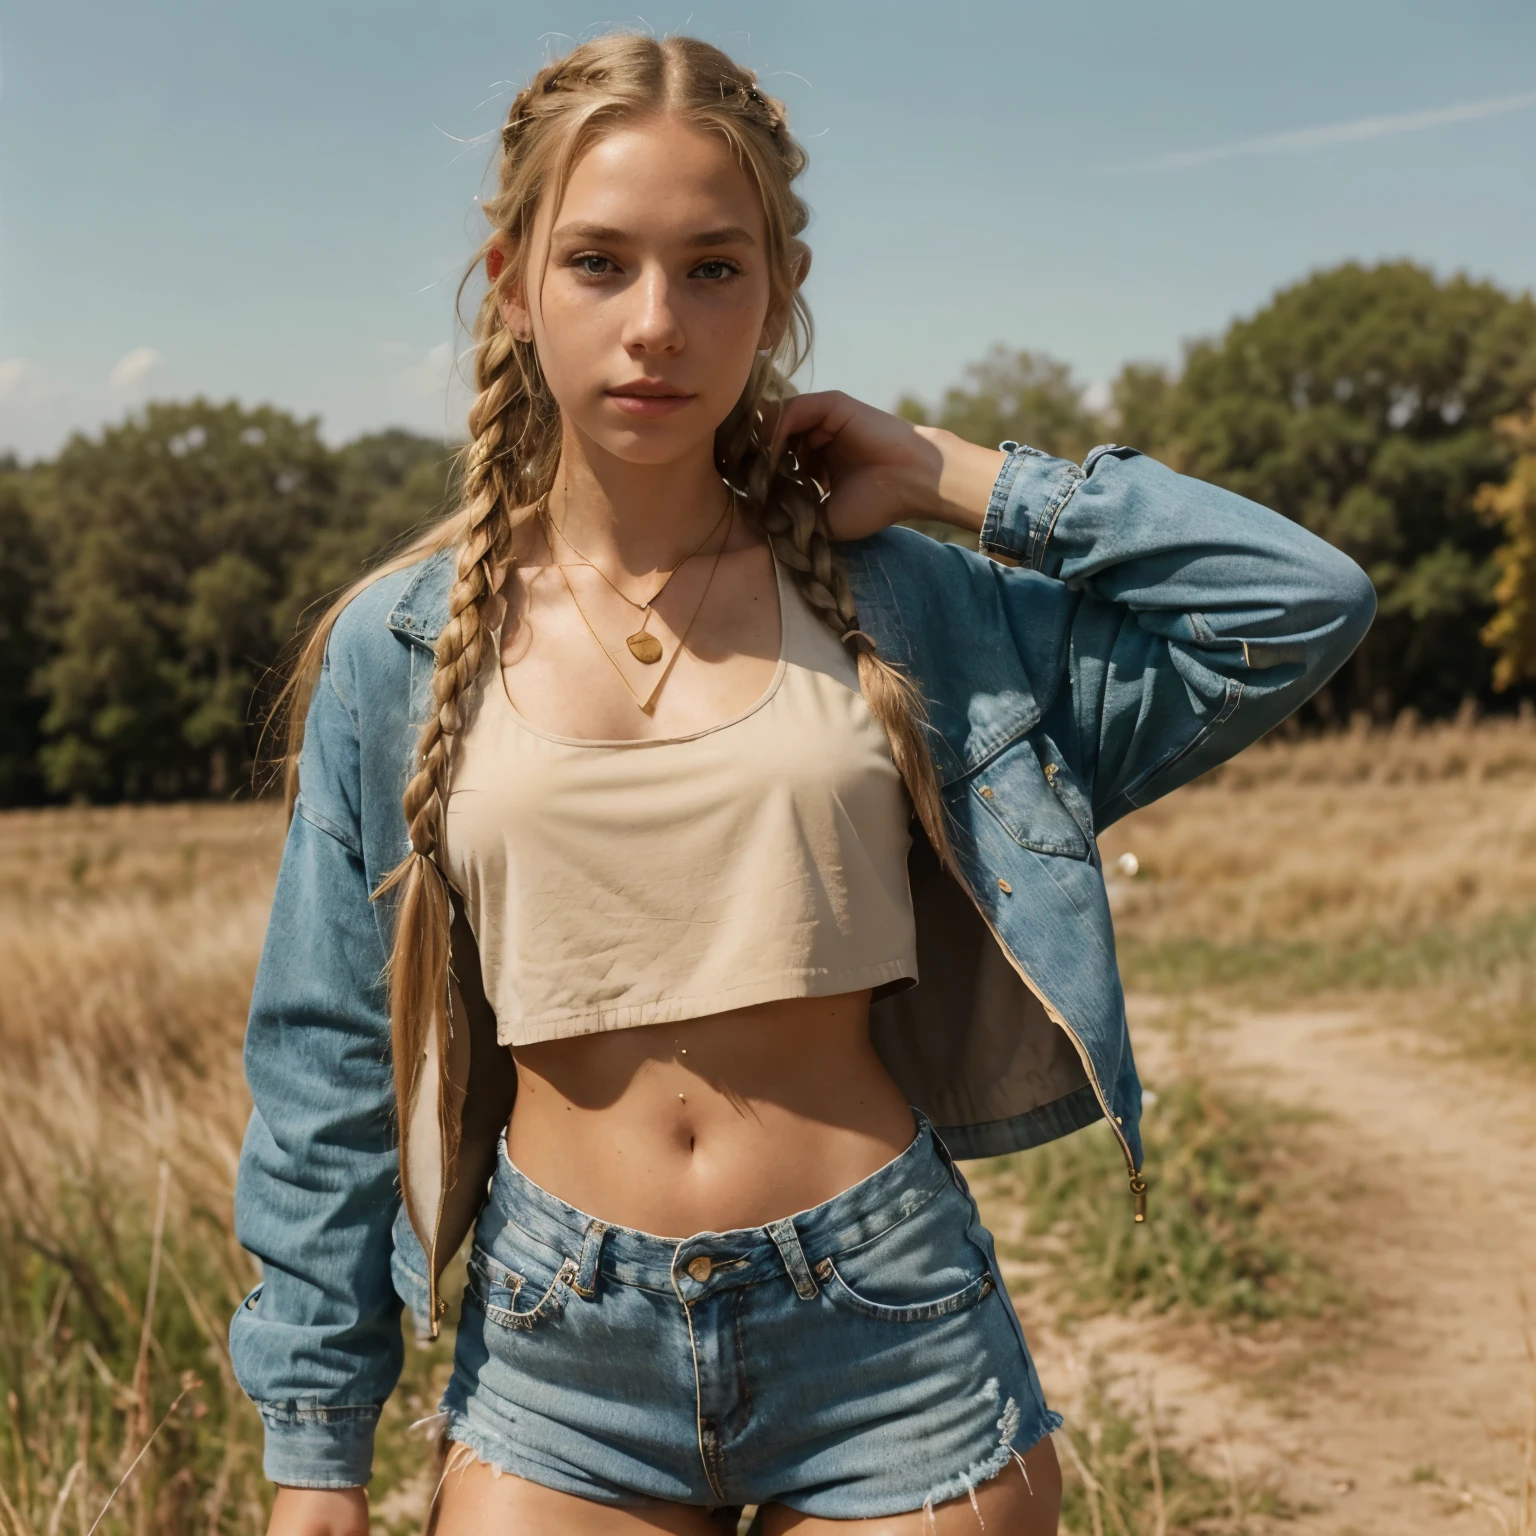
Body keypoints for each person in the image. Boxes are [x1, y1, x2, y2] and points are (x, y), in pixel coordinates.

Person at [230, 33, 1374, 1536]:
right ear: (512, 284)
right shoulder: (401, 646)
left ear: (779, 290)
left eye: (713, 268)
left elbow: (1297, 604)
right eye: (598, 264)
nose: (657, 324)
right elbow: (325, 1061)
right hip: (557, 1348)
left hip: (886, 1325)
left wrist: (965, 479)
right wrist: (317, 1443)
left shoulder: (913, 607)